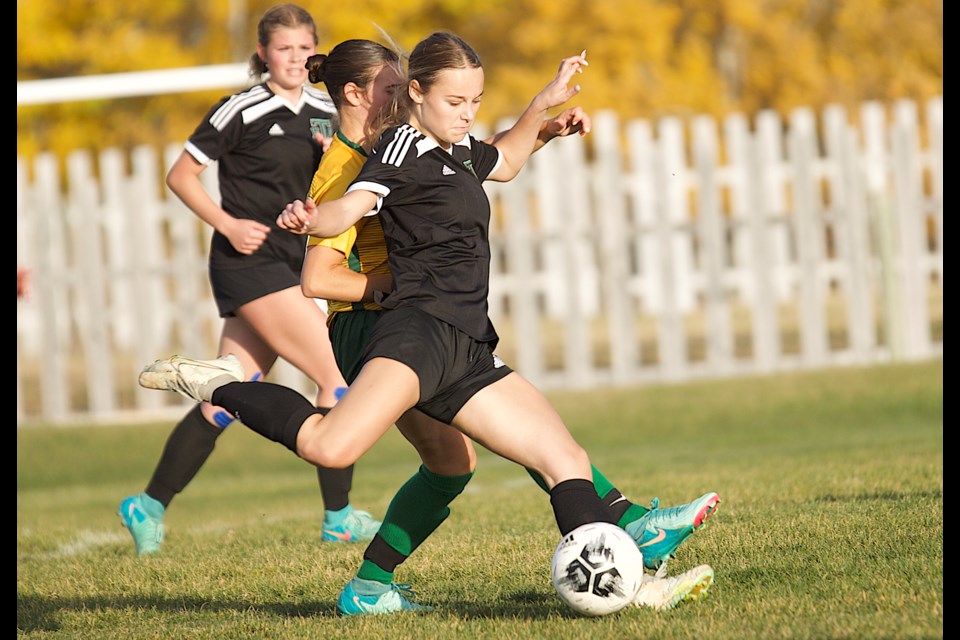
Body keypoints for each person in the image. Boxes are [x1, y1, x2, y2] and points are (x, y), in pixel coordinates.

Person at [141, 33, 718, 615]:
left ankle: (633, 581)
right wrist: (315, 218)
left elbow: (507, 158)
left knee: (556, 459)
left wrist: (543, 109)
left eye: (475, 100)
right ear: (409, 94)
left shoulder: (456, 145)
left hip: (465, 339)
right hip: (408, 332)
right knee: (331, 446)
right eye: (452, 101)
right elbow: (352, 211)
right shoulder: (389, 149)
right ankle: (218, 385)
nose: (468, 113)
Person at [117, 3, 380, 557]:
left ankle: (148, 505)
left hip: (294, 263)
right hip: (250, 265)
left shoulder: (325, 110)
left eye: (304, 48)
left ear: (316, 52)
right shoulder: (241, 107)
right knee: (336, 380)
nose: (294, 57)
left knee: (225, 394)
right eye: (283, 48)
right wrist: (228, 224)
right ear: (263, 53)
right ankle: (338, 518)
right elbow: (181, 175)